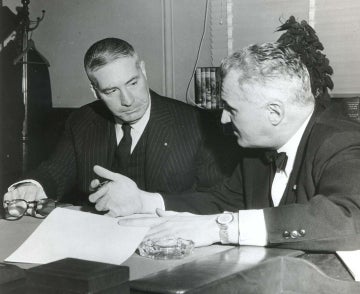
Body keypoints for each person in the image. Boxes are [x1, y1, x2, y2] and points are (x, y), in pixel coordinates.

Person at [94, 42, 360, 251]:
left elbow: (349, 219)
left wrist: (221, 228)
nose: (222, 118)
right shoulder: (256, 147)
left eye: (231, 109)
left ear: (274, 113)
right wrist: (143, 200)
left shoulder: (341, 141)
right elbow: (222, 201)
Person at [3, 38, 237, 208]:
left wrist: (146, 203)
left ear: (143, 70)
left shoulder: (197, 124)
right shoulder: (82, 121)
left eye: (133, 83)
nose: (127, 100)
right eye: (111, 90)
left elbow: (217, 200)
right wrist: (32, 186)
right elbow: (55, 172)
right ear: (95, 91)